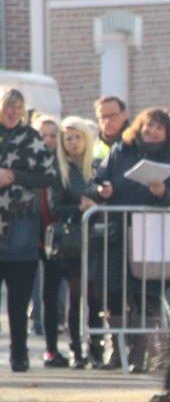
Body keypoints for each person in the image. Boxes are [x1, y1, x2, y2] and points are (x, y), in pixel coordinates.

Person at [91, 107, 170, 373]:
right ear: (139, 126)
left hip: (150, 235)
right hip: (117, 233)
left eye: (158, 127)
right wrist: (102, 190)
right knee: (114, 292)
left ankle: (140, 354)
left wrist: (162, 192)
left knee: (146, 295)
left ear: (166, 134)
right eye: (148, 125)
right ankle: (116, 351)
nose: (152, 131)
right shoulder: (120, 152)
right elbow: (96, 181)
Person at [0, 87, 57, 371]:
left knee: (19, 296)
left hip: (21, 223)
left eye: (18, 107)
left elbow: (48, 175)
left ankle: (19, 353)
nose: (13, 112)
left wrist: (14, 176)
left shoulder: (31, 139)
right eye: (8, 106)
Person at [52, 117, 96, 368]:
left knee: (95, 296)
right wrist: (79, 208)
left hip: (95, 238)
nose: (73, 142)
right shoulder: (61, 171)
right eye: (68, 137)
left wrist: (98, 205)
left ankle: (96, 349)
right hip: (72, 241)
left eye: (77, 136)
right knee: (76, 296)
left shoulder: (95, 168)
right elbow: (56, 206)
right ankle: (76, 349)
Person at [32, 113, 70, 366]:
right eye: (42, 135)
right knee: (32, 293)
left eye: (53, 135)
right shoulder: (29, 163)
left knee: (52, 292)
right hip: (31, 235)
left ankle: (52, 349)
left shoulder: (62, 165)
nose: (47, 140)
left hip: (54, 238)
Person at [93, 95, 129, 163]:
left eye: (112, 115)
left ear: (125, 114)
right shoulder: (94, 149)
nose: (107, 121)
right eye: (103, 117)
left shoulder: (138, 143)